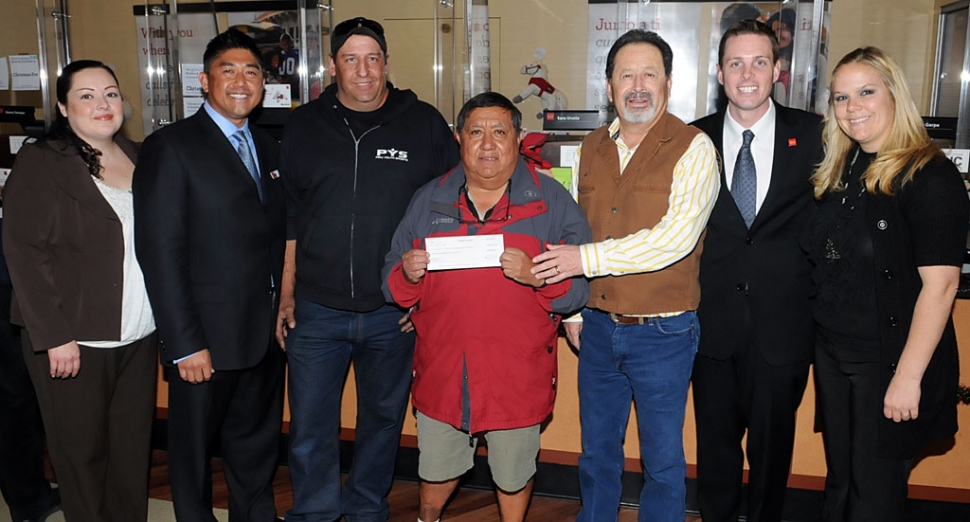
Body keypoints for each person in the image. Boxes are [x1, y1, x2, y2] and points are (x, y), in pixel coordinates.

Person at [531, 29, 720, 522]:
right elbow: (572, 228)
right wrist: (571, 306)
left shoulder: (695, 148)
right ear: (609, 86)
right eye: (625, 75)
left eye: (649, 75)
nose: (638, 86)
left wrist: (583, 263)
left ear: (669, 82)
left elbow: (674, 239)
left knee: (661, 462)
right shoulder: (590, 147)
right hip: (595, 328)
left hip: (665, 332)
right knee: (596, 454)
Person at [277, 16, 460, 522]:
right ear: (333, 65)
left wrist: (424, 297)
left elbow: (450, 215)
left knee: (382, 422)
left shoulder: (422, 123)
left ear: (386, 63)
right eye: (351, 59)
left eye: (372, 58)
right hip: (315, 309)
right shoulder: (303, 125)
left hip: (391, 312)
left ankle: (365, 510)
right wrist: (288, 292)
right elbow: (290, 215)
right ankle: (314, 512)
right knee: (311, 426)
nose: (363, 70)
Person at [382, 92, 591, 522]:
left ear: (518, 137)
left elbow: (577, 292)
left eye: (500, 131)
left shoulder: (551, 203)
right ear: (459, 138)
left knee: (513, 474)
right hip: (444, 370)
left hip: (516, 372)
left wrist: (538, 278)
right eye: (476, 132)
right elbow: (392, 285)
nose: (488, 143)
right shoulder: (429, 199)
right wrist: (407, 274)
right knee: (434, 476)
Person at [807, 47, 967, 522]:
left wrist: (908, 377)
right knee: (842, 484)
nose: (853, 106)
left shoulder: (929, 175)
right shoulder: (844, 168)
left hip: (888, 360)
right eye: (841, 97)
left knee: (873, 498)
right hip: (835, 353)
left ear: (894, 94)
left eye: (866, 92)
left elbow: (940, 288)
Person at [133, 29, 287, 521]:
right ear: (204, 80)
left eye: (253, 72)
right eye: (229, 70)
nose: (242, 81)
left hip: (264, 338)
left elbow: (276, 237)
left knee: (256, 451)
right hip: (204, 344)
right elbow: (159, 252)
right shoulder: (171, 147)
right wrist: (182, 343)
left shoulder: (270, 147)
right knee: (193, 457)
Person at [3, 59, 158, 521]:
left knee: (130, 454)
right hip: (73, 340)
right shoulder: (42, 161)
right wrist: (54, 334)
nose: (102, 104)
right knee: (82, 458)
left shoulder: (140, 156)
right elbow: (24, 252)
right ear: (63, 106)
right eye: (86, 95)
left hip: (139, 331)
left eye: (110, 93)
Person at [690, 20, 822, 522]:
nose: (748, 74)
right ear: (720, 73)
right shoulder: (690, 139)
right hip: (711, 326)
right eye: (736, 63)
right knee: (716, 456)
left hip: (783, 328)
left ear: (778, 70)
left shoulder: (814, 137)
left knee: (772, 459)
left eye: (759, 62)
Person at [0, 217, 61, 522]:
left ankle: (27, 497)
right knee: (17, 398)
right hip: (10, 280)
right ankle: (27, 500)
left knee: (16, 398)